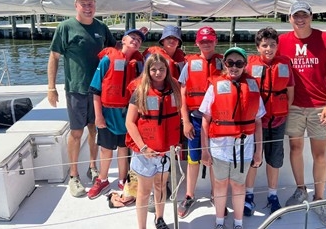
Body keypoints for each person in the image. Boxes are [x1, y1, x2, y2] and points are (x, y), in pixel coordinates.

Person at [47, 0, 116, 197]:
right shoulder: (65, 27)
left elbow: (115, 51)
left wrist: (136, 38)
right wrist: (51, 87)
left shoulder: (102, 28)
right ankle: (74, 175)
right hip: (76, 89)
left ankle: (93, 168)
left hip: (98, 91)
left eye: (91, 3)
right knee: (76, 133)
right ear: (76, 5)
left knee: (95, 129)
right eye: (83, 3)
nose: (88, 7)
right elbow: (54, 57)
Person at [277, 1, 326, 227]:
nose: (300, 19)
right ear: (290, 19)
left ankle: (320, 199)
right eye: (296, 16)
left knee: (320, 154)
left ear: (311, 17)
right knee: (295, 148)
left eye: (304, 15)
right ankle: (301, 189)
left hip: (318, 106)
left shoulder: (325, 39)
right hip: (293, 105)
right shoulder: (282, 41)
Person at [201, 47, 264, 229]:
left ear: (245, 65)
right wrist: (205, 151)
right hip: (220, 148)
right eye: (230, 63)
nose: (234, 67)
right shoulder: (214, 87)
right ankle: (219, 222)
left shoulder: (252, 86)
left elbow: (258, 122)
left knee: (238, 185)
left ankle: (238, 224)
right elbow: (206, 121)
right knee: (220, 185)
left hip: (244, 148)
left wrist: (258, 152)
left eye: (239, 63)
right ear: (224, 64)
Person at [87, 28, 146, 199]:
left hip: (126, 114)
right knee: (106, 150)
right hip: (108, 113)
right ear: (124, 40)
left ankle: (122, 179)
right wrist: (98, 116)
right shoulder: (107, 60)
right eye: (132, 37)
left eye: (139, 40)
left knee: (123, 149)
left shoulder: (138, 64)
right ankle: (103, 179)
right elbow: (95, 90)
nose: (135, 41)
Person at [125, 53, 182, 229]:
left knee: (161, 186)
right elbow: (129, 122)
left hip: (165, 151)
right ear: (147, 71)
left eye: (162, 69)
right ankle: (142, 226)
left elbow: (176, 119)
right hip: (146, 152)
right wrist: (143, 148)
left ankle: (159, 218)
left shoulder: (174, 90)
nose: (158, 72)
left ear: (167, 70)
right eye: (154, 69)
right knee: (143, 192)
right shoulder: (140, 91)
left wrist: (177, 143)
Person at [243, 28, 295, 216]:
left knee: (274, 159)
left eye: (272, 45)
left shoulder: (284, 64)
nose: (269, 48)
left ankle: (272, 195)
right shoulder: (249, 65)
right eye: (264, 45)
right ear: (258, 47)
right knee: (253, 160)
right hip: (256, 123)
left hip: (278, 121)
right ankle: (249, 195)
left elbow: (290, 91)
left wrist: (282, 110)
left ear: (277, 47)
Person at [177, 26, 224, 218]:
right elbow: (182, 93)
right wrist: (185, 120)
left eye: (209, 40)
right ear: (197, 43)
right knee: (193, 158)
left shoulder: (223, 63)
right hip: (195, 119)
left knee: (214, 158)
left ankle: (215, 194)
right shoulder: (190, 64)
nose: (206, 44)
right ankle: (189, 195)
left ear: (215, 41)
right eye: (202, 41)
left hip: (218, 120)